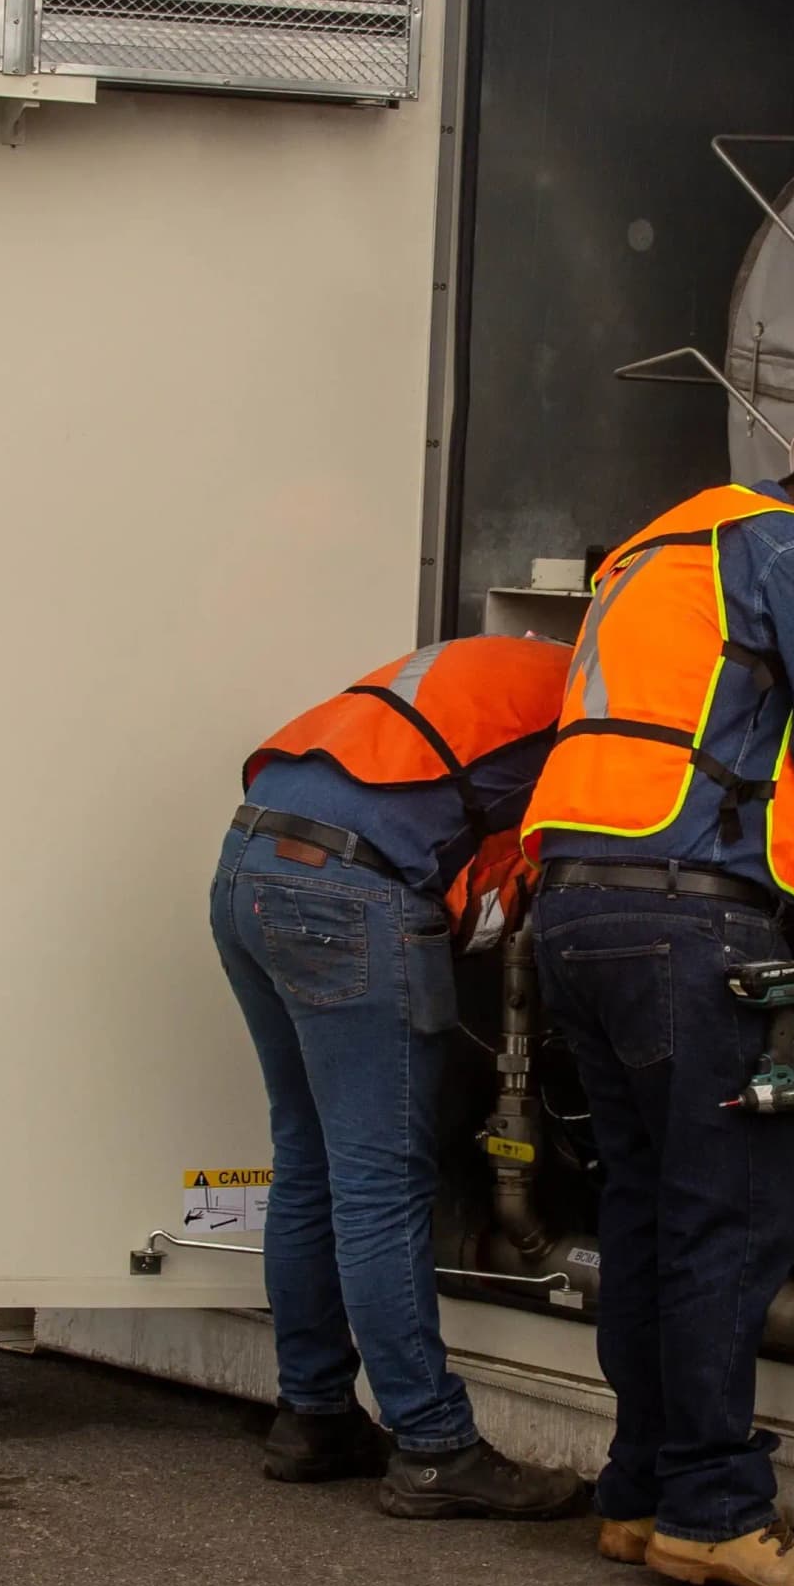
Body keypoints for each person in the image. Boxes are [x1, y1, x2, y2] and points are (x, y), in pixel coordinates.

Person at [521, 427, 794, 1586]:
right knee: (734, 1216)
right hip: (692, 921)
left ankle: (642, 1492)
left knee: (646, 1210)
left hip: (577, 909)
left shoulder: (656, 550)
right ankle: (714, 1509)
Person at [218, 637, 590, 1519]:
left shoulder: (504, 663)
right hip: (346, 891)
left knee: (309, 1162)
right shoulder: (593, 709)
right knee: (381, 1182)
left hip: (249, 864)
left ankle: (313, 1417)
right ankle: (432, 1444)